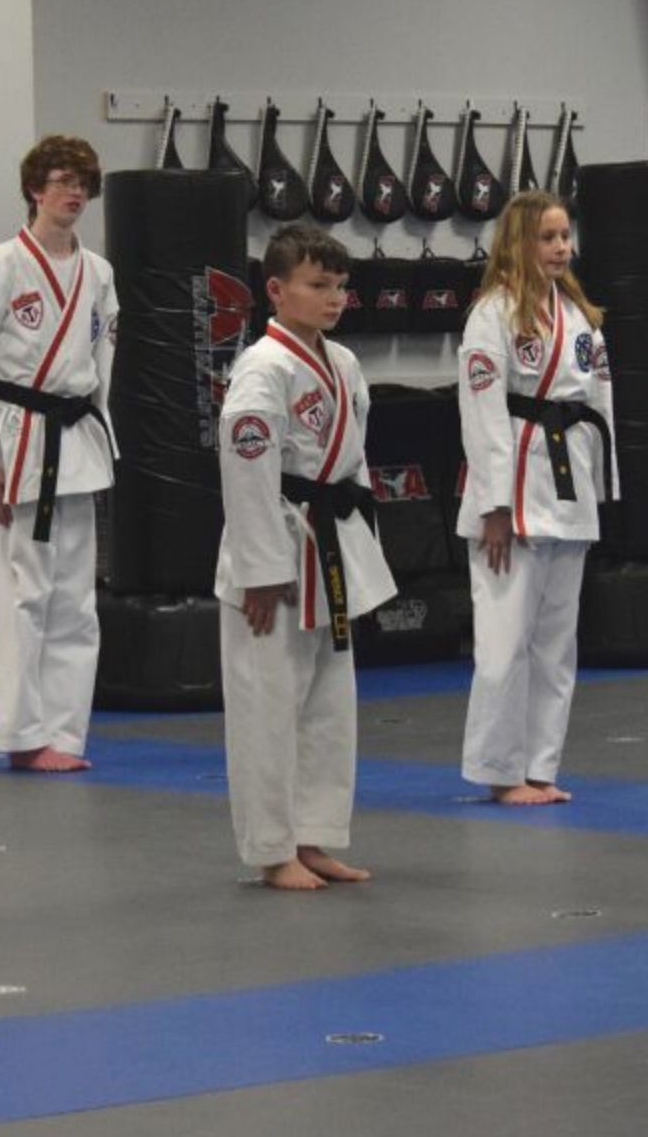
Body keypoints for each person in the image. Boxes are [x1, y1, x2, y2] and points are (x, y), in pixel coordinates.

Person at [216, 225, 395, 890]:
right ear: (276, 289)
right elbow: (247, 470)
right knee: (270, 703)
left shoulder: (342, 363)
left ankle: (314, 835)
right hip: (279, 548)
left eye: (340, 286)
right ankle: (271, 848)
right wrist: (260, 570)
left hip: (331, 545)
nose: (335, 298)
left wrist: (361, 544)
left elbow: (353, 462)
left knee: (328, 702)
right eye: (319, 285)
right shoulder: (262, 367)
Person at [0, 136, 117, 773]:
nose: (73, 193)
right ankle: (22, 735)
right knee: (22, 595)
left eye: (82, 183)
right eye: (61, 180)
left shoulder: (99, 273)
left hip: (75, 441)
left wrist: (104, 436)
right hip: (15, 442)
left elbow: (103, 366)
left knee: (76, 599)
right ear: (34, 188)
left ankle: (67, 735)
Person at [457, 190, 616, 806]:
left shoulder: (578, 315)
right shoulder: (491, 313)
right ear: (519, 243)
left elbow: (601, 406)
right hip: (514, 491)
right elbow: (481, 411)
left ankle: (541, 767)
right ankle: (501, 770)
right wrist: (494, 505)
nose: (561, 248)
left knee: (555, 642)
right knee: (503, 642)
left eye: (565, 237)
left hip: (569, 487)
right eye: (547, 237)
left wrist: (606, 488)